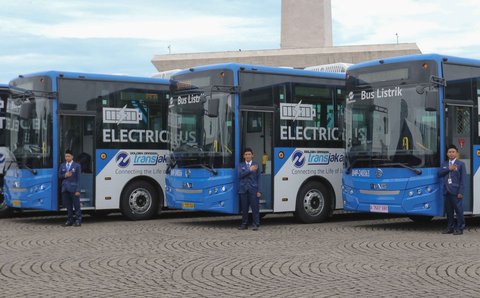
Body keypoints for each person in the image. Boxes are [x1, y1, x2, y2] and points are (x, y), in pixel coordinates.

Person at [438, 144, 466, 235]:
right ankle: (450, 228)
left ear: (457, 153)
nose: (451, 154)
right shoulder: (444, 164)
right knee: (449, 211)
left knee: (458, 210)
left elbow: (463, 179)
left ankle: (460, 228)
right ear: (447, 154)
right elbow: (439, 174)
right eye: (449, 152)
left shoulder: (461, 164)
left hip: (456, 191)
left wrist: (461, 192)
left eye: (453, 152)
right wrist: (448, 169)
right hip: (446, 191)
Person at [238, 147, 261, 231]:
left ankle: (256, 224)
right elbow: (240, 175)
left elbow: (258, 178)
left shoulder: (256, 165)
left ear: (252, 155)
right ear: (244, 156)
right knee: (244, 208)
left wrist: (259, 190)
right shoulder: (241, 165)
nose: (248, 156)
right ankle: (244, 224)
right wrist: (249, 169)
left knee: (255, 207)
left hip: (253, 189)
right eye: (246, 154)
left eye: (249, 154)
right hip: (243, 189)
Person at [59, 149, 82, 227]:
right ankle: (69, 220)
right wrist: (65, 175)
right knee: (68, 206)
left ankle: (78, 220)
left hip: (74, 188)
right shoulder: (62, 165)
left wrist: (78, 190)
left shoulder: (77, 166)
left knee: (76, 206)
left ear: (72, 157)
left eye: (68, 156)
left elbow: (79, 179)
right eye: (66, 156)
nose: (67, 158)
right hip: (65, 188)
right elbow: (59, 176)